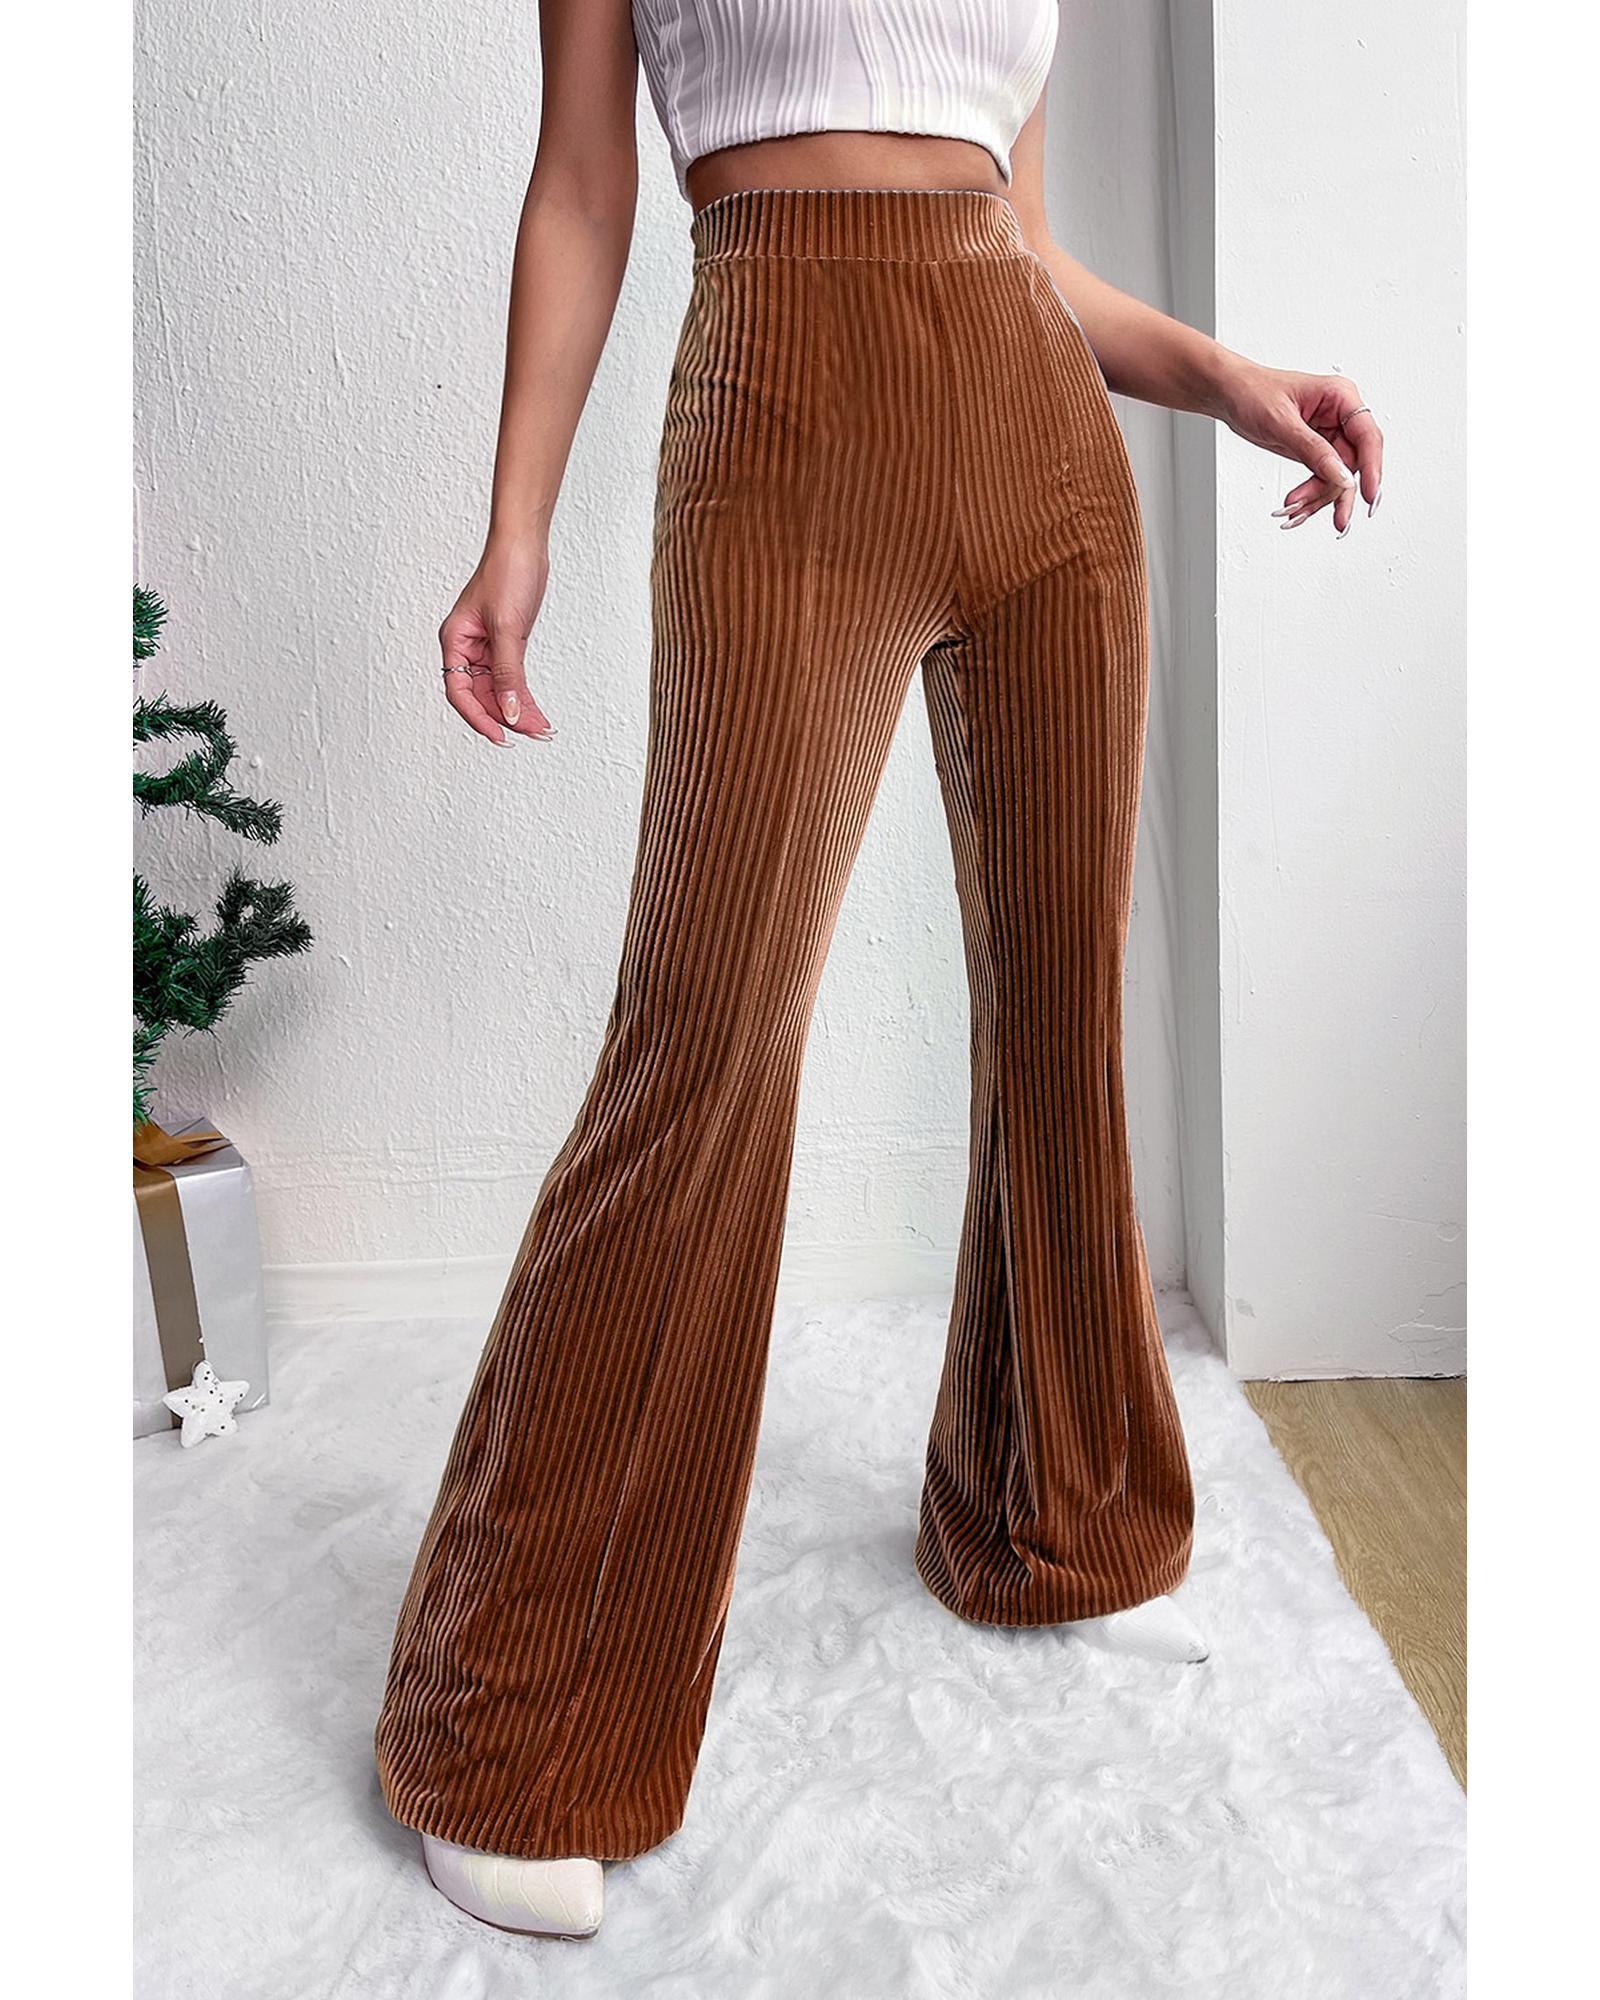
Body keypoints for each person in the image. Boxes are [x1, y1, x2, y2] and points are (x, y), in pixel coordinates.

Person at [374, 0, 1384, 1941]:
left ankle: (1050, 1520)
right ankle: (513, 1724)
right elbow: (581, 185)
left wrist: (1222, 376)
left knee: (1060, 1016)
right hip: (778, 426)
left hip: (1041, 460)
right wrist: (515, 530)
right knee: (702, 1047)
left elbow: (1019, 237)